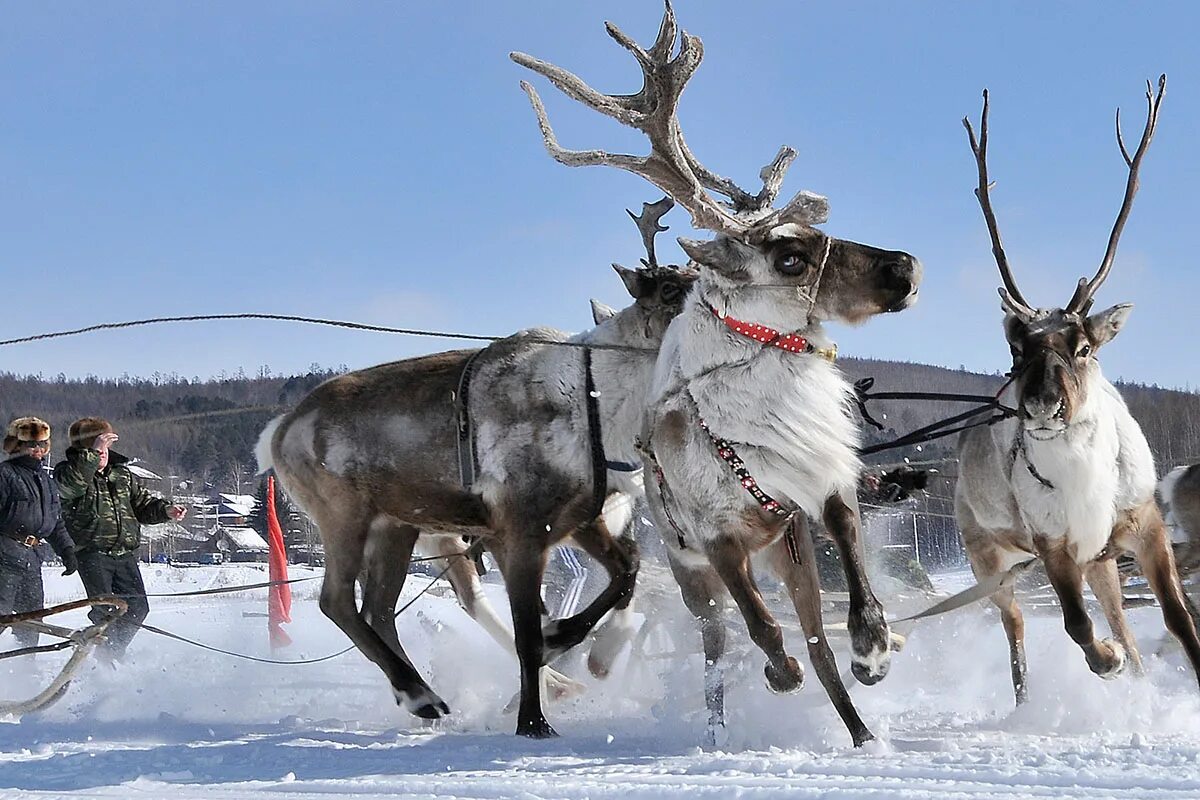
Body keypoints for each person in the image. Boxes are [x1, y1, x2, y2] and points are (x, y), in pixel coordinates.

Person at [54, 417, 186, 663]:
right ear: (83, 451)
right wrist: (90, 457)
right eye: (95, 449)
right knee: (105, 609)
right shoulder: (68, 472)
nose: (102, 454)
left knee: (138, 609)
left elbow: (143, 505)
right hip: (92, 553)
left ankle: (111, 652)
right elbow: (69, 488)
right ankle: (104, 658)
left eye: (104, 449)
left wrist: (166, 510)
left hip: (124, 554)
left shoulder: (122, 475)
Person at [0, 417, 79, 648]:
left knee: (32, 620)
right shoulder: (4, 474)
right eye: (32, 445)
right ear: (17, 446)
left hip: (32, 560)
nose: (38, 450)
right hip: (4, 558)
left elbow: (56, 522)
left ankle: (26, 671)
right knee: (1, 616)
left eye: (43, 445)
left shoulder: (46, 479)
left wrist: (67, 550)